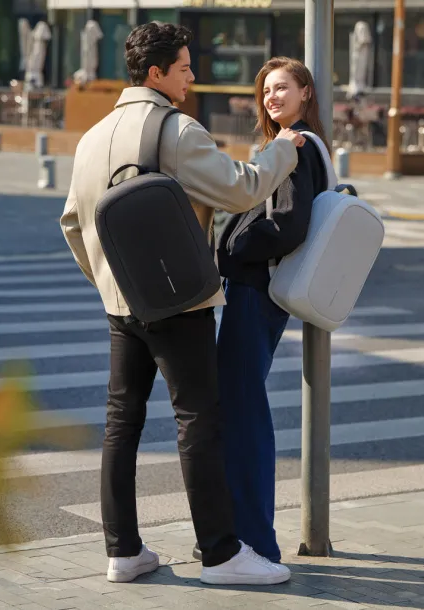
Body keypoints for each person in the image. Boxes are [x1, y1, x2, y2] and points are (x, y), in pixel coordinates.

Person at [60, 24, 304, 586]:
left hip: (122, 303)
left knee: (121, 422)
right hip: (178, 302)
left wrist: (108, 279)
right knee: (199, 420)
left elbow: (73, 221)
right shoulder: (175, 129)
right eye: (185, 69)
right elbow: (242, 188)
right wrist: (280, 154)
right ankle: (221, 554)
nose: (191, 79)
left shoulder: (93, 135)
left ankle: (123, 552)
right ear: (157, 74)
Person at [217, 57, 329, 571]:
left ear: (306, 92)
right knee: (241, 407)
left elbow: (286, 225)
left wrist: (231, 249)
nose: (271, 98)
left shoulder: (296, 146)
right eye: (265, 91)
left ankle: (255, 542)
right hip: (260, 287)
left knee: (241, 411)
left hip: (255, 287)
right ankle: (246, 534)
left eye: (282, 88)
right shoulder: (293, 142)